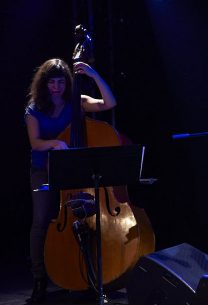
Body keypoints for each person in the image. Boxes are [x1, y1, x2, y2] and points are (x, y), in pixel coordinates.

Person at [25, 58, 116, 303]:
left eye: (60, 82)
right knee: (42, 220)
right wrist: (55, 142)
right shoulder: (34, 108)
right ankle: (39, 278)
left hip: (73, 171)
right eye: (51, 82)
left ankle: (82, 272)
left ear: (66, 83)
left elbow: (109, 103)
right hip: (43, 169)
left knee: (82, 216)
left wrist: (93, 74)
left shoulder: (76, 102)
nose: (56, 87)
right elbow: (35, 143)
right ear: (44, 84)